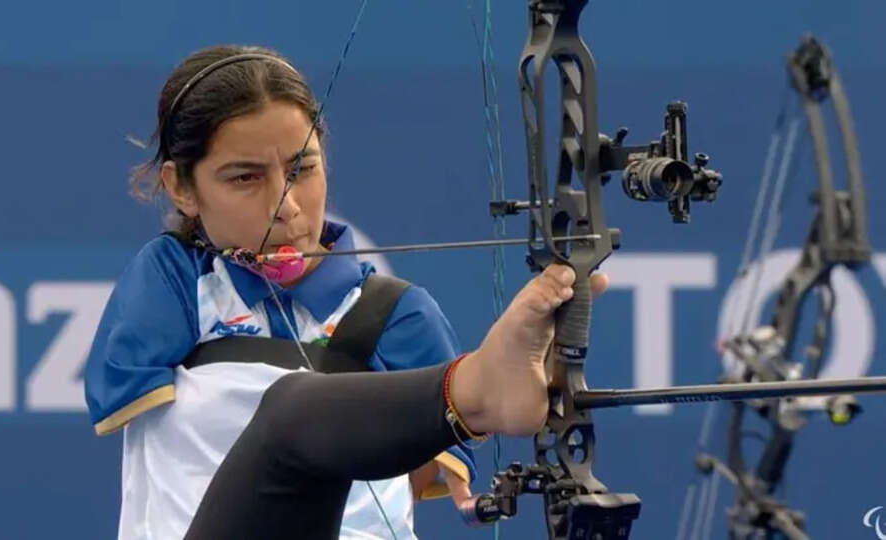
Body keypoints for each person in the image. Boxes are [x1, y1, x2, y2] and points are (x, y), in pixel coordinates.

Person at [84, 44, 608, 540]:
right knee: (290, 411)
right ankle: (477, 388)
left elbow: (417, 485)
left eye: (302, 169)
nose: (286, 207)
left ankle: (479, 388)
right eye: (244, 178)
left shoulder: (397, 312)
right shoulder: (173, 281)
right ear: (181, 188)